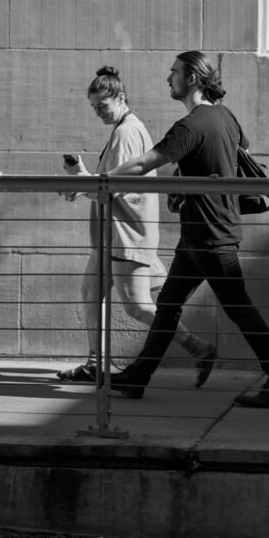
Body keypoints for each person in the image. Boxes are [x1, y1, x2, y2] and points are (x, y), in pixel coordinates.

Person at [75, 52, 269, 408]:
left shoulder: (189, 126)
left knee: (239, 309)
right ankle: (138, 376)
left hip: (211, 236)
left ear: (192, 78)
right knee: (167, 305)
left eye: (174, 72)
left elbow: (145, 163)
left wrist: (99, 180)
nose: (168, 78)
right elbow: (242, 148)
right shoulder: (225, 116)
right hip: (199, 235)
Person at [57, 65, 217, 388]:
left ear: (121, 97)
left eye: (103, 105)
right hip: (115, 235)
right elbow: (111, 182)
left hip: (126, 235)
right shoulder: (125, 129)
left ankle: (198, 348)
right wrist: (82, 178)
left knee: (138, 306)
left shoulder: (126, 133)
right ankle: (95, 363)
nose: (99, 113)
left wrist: (79, 184)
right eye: (94, 107)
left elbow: (113, 188)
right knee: (91, 291)